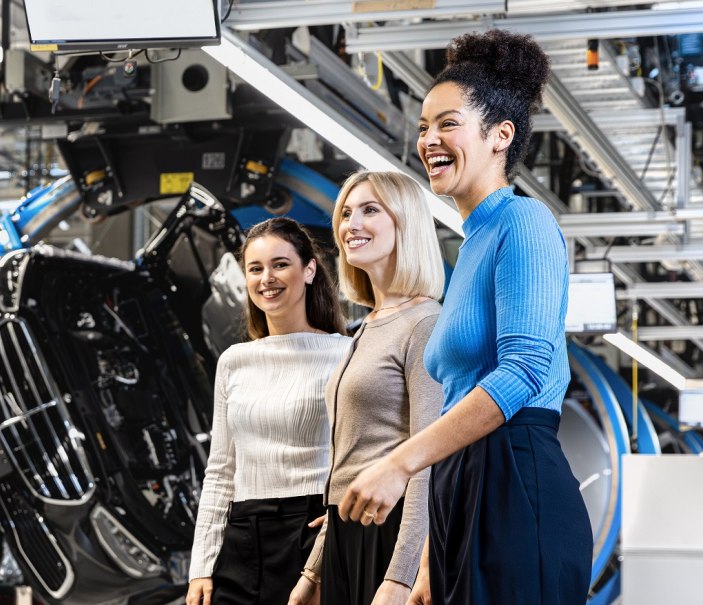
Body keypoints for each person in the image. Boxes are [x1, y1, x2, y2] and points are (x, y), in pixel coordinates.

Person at [335, 30, 592, 605]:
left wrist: (399, 463)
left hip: (514, 483)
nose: (429, 140)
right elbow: (455, 395)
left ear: (501, 135)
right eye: (424, 127)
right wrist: (431, 554)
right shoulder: (471, 243)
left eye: (448, 123)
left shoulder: (523, 222)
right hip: (460, 490)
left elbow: (524, 370)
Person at [285, 172, 446, 605]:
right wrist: (314, 572)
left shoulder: (424, 323)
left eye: (370, 210)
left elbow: (426, 463)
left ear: (405, 224)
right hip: (346, 536)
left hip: (390, 535)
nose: (350, 224)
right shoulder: (368, 327)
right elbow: (349, 467)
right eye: (346, 213)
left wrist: (400, 577)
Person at [187, 217, 350, 605]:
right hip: (243, 532)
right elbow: (221, 470)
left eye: (280, 264)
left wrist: (342, 516)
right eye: (255, 268)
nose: (267, 278)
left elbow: (365, 451)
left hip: (313, 527)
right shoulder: (234, 361)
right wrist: (201, 566)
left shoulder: (345, 354)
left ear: (309, 270)